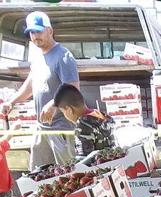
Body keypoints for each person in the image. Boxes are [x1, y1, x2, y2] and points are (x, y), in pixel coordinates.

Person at [0, 11, 79, 170]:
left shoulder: (64, 56)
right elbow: (30, 86)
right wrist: (11, 102)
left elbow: (73, 87)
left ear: (50, 30)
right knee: (38, 175)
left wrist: (54, 103)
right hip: (41, 129)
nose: (35, 36)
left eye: (39, 31)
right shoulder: (37, 58)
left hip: (61, 129)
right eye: (31, 32)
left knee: (67, 175)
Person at [53, 84, 116, 157]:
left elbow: (84, 161)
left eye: (63, 112)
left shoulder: (82, 126)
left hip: (98, 167)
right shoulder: (101, 115)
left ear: (69, 110)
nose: (65, 115)